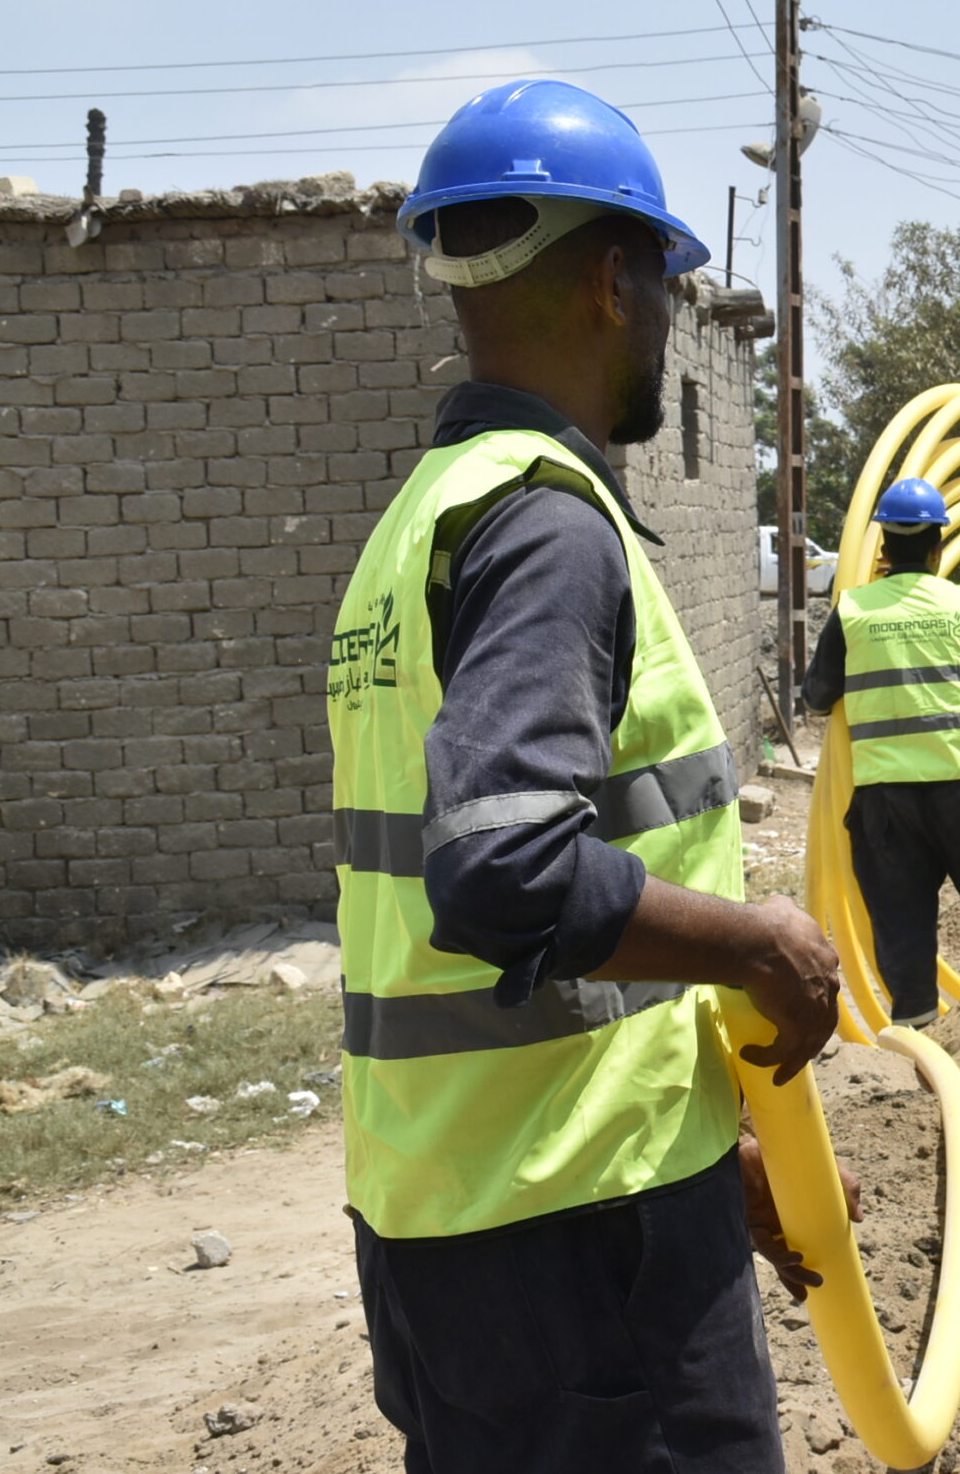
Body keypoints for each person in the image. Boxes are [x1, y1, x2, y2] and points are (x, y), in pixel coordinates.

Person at [330, 78, 849, 1473]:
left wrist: (705, 1133)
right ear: (616, 279)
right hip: (578, 1236)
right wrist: (760, 944)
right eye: (671, 288)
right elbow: (504, 870)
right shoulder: (550, 532)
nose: (673, 323)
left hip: (449, 1221)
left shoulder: (414, 528)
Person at [799, 477, 960, 1027]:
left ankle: (919, 1048)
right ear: (938, 542)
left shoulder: (851, 611)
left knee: (903, 938)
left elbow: (819, 696)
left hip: (887, 802)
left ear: (882, 545)